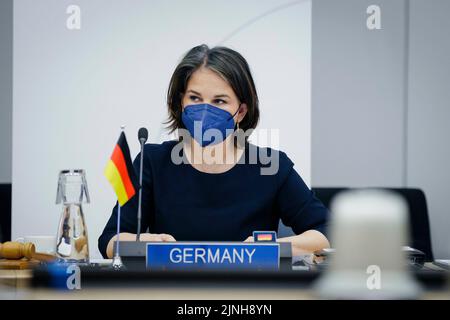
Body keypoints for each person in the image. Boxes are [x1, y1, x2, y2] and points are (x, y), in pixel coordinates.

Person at [98, 44, 330, 259]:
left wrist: (273, 248)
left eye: (219, 101)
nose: (205, 110)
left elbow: (325, 233)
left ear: (240, 112)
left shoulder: (271, 165)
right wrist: (148, 244)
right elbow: (110, 241)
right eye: (195, 98)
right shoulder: (151, 161)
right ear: (181, 102)